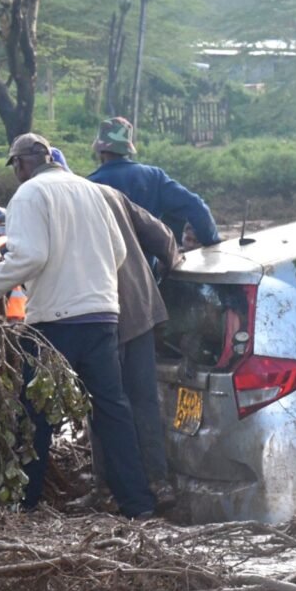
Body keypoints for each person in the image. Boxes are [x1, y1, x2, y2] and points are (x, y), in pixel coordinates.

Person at [0, 133, 155, 519]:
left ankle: (25, 505)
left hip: (56, 322)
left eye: (14, 166)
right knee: (112, 411)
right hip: (102, 315)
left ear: (23, 163)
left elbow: (30, 256)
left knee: (34, 415)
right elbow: (119, 252)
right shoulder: (92, 190)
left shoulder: (29, 194)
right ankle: (138, 505)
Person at [91, 182, 182, 511]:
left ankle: (108, 491)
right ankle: (159, 484)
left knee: (103, 404)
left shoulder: (58, 200)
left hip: (99, 314)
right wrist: (170, 271)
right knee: (143, 401)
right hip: (139, 308)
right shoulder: (110, 193)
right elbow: (163, 237)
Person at [88, 117, 221, 246]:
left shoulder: (90, 185)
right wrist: (211, 243)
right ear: (127, 149)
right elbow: (196, 206)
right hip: (148, 268)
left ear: (101, 150)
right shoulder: (153, 177)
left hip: (107, 267)